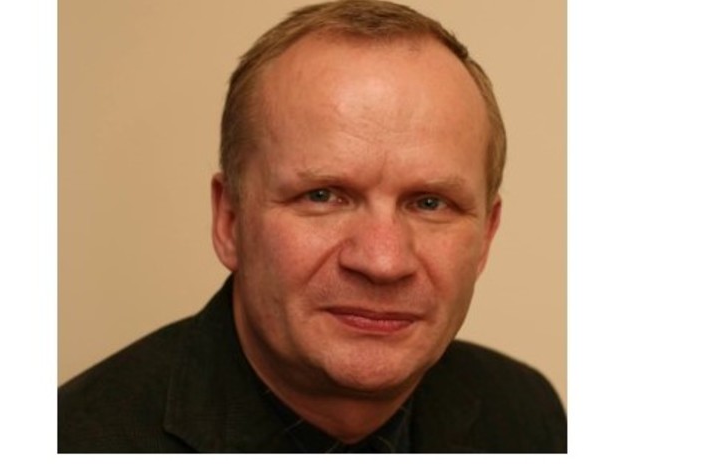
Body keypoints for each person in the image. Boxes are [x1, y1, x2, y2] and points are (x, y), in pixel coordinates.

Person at [59, 0, 566, 453]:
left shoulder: (526, 414)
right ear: (230, 220)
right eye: (323, 196)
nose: (383, 261)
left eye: (430, 203)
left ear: (486, 237)